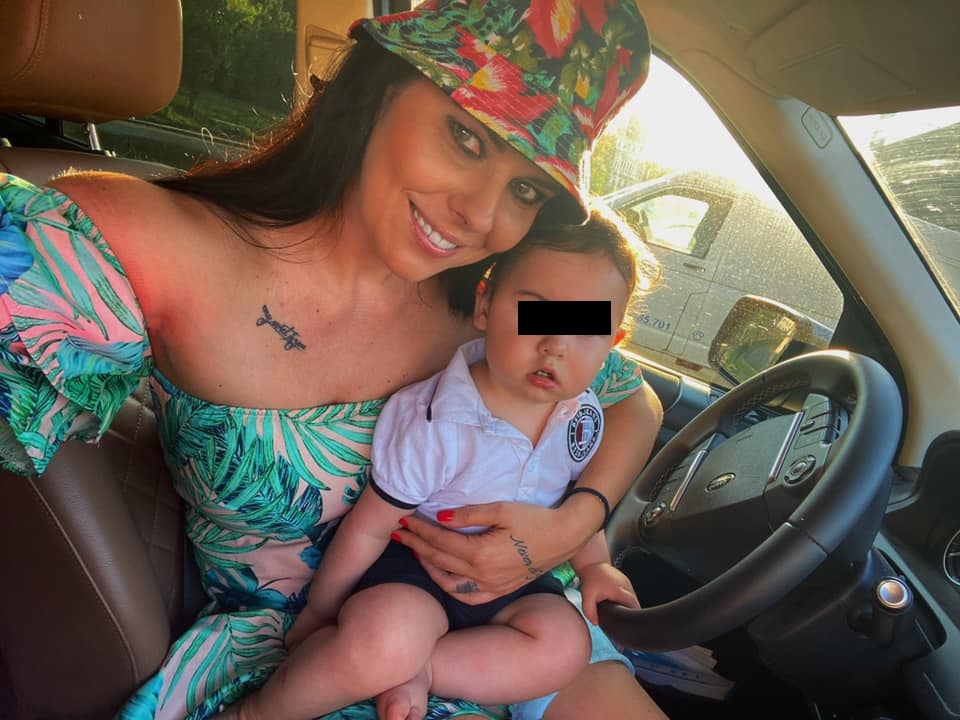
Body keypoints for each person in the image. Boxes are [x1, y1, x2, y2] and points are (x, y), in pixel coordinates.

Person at [0, 1, 667, 719]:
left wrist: (573, 526)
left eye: (526, 189)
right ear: (381, 87)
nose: (480, 215)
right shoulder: (148, 239)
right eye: (466, 138)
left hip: (520, 632)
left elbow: (633, 403)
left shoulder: (497, 300)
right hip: (314, 662)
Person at [221, 211, 653, 720]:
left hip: (519, 584)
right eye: (534, 312)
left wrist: (594, 566)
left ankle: (425, 669)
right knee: (390, 637)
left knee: (565, 645)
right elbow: (369, 527)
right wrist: (321, 610)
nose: (554, 343)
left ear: (612, 343)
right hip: (415, 574)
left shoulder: (582, 415)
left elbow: (571, 502)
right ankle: (258, 712)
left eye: (584, 328)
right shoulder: (437, 419)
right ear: (485, 305)